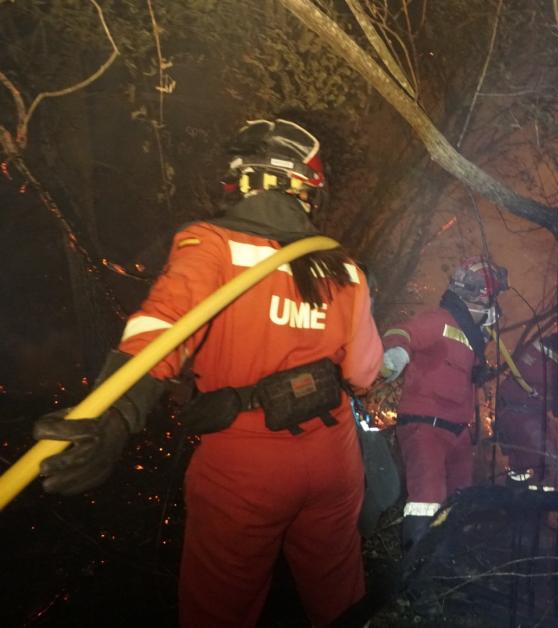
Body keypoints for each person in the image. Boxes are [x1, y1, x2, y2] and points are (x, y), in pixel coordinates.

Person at [32, 116, 383, 627]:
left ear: (239, 180)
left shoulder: (211, 244)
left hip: (244, 467)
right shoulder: (344, 267)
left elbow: (162, 328)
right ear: (309, 187)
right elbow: (363, 374)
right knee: (339, 597)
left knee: (219, 609)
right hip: (334, 461)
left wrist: (113, 414)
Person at [380, 257, 508, 550]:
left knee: (458, 498)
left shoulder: (474, 340)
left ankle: (445, 560)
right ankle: (416, 571)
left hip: (458, 433)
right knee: (427, 499)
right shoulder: (440, 320)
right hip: (426, 428)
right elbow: (402, 331)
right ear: (481, 297)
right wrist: (395, 353)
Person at [496, 310, 558, 491]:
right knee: (551, 466)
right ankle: (537, 511)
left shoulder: (543, 343)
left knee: (520, 466)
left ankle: (512, 505)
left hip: (508, 409)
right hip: (525, 416)